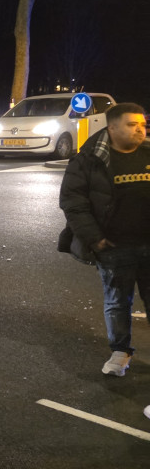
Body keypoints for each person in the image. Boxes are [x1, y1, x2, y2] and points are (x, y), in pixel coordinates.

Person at [59, 103, 149, 377]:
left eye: (142, 124)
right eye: (132, 124)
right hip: (113, 247)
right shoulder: (89, 159)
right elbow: (73, 202)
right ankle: (120, 352)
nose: (140, 129)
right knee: (117, 302)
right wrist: (95, 238)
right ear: (112, 127)